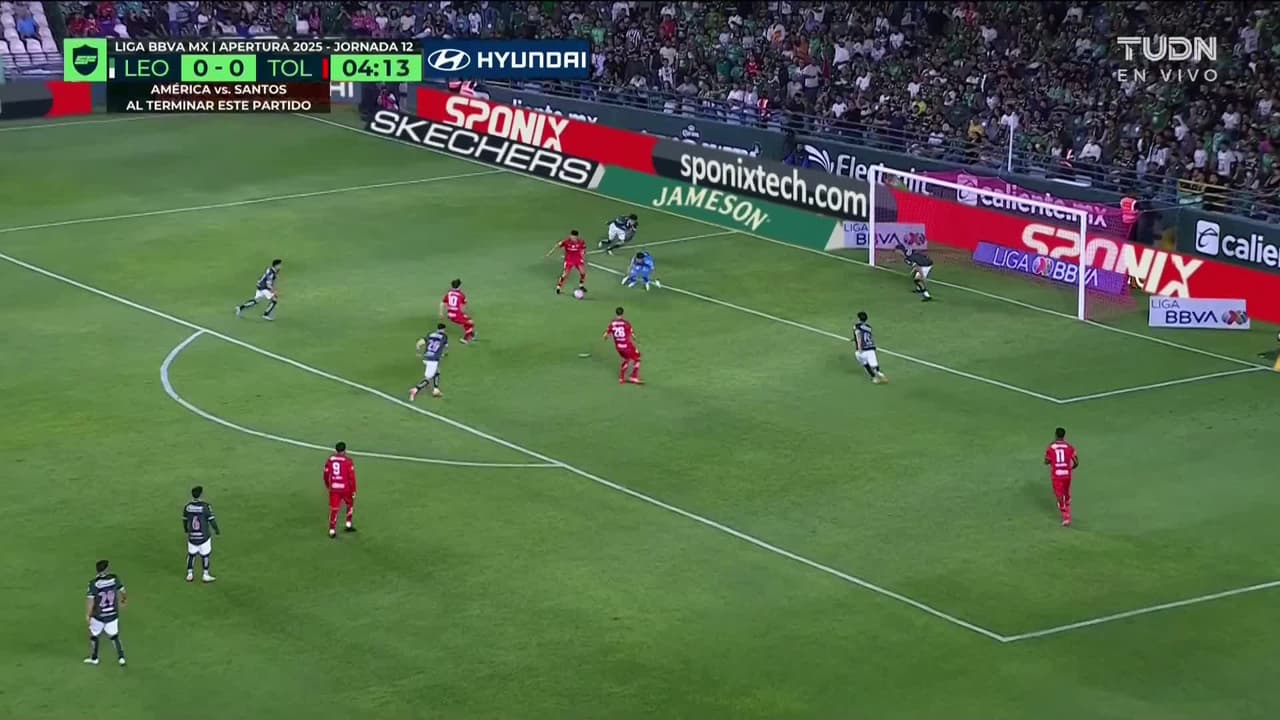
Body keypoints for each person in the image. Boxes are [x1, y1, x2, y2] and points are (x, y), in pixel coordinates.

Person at [85, 560, 127, 666]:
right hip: (112, 614)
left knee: (93, 635)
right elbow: (123, 591)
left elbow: (91, 601)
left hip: (98, 616)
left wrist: (88, 615)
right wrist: (123, 600)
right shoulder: (114, 579)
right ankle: (121, 658)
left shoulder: (93, 583)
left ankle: (94, 658)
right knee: (114, 636)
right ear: (106, 569)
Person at [183, 485, 220, 583]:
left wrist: (186, 530)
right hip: (204, 536)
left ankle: (189, 574)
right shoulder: (205, 506)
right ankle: (205, 575)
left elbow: (185, 520)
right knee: (205, 556)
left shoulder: (187, 507)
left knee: (191, 555)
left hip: (192, 536)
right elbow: (211, 520)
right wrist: (216, 529)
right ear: (201, 494)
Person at [1044, 427, 1079, 527]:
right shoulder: (1069, 447)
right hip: (1067, 474)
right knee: (1066, 493)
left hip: (1057, 475)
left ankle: (1065, 515)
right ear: (1064, 436)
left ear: (1055, 435)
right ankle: (1067, 502)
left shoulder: (1051, 447)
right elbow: (1076, 462)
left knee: (1059, 496)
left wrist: (1051, 460)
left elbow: (1046, 461)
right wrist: (1071, 468)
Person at [323, 442, 358, 538]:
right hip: (345, 488)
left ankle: (332, 530)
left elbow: (326, 474)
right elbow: (351, 478)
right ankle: (348, 524)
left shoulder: (330, 460)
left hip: (334, 488)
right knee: (350, 504)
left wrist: (328, 485)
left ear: (336, 450)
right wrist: (353, 490)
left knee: (334, 509)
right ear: (345, 450)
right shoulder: (348, 461)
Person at [603, 306, 643, 384]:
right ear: (623, 314)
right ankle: (633, 377)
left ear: (616, 313)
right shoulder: (626, 323)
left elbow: (605, 335)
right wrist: (636, 339)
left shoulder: (612, 324)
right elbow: (633, 336)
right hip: (627, 346)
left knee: (627, 359)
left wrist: (607, 337)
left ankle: (621, 378)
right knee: (638, 358)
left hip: (618, 347)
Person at [410, 323, 449, 400]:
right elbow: (445, 347)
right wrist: (444, 354)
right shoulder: (444, 336)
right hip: (433, 360)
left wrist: (418, 351)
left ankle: (436, 390)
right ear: (444, 329)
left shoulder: (430, 334)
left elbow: (419, 343)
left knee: (437, 371)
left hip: (426, 357)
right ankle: (415, 390)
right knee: (428, 379)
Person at [852, 311, 888, 384]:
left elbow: (859, 336)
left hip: (862, 350)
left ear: (858, 319)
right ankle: (881, 375)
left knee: (865, 363)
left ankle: (874, 378)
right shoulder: (869, 327)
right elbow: (866, 335)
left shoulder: (856, 326)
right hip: (871, 348)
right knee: (875, 366)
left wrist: (859, 348)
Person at [548, 229, 587, 295]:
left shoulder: (581, 242)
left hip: (578, 259)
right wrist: (550, 253)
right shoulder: (566, 241)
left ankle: (581, 285)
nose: (573, 238)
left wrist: (583, 254)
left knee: (583, 272)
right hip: (569, 260)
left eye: (574, 237)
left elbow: (583, 248)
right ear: (570, 236)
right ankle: (558, 287)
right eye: (572, 236)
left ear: (577, 237)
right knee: (565, 275)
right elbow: (558, 245)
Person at [440, 278, 476, 343]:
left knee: (466, 322)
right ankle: (465, 339)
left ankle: (472, 335)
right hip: (457, 315)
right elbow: (465, 306)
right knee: (471, 323)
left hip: (450, 314)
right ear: (459, 286)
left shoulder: (448, 293)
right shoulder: (461, 295)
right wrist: (465, 313)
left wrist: (441, 313)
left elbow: (442, 303)